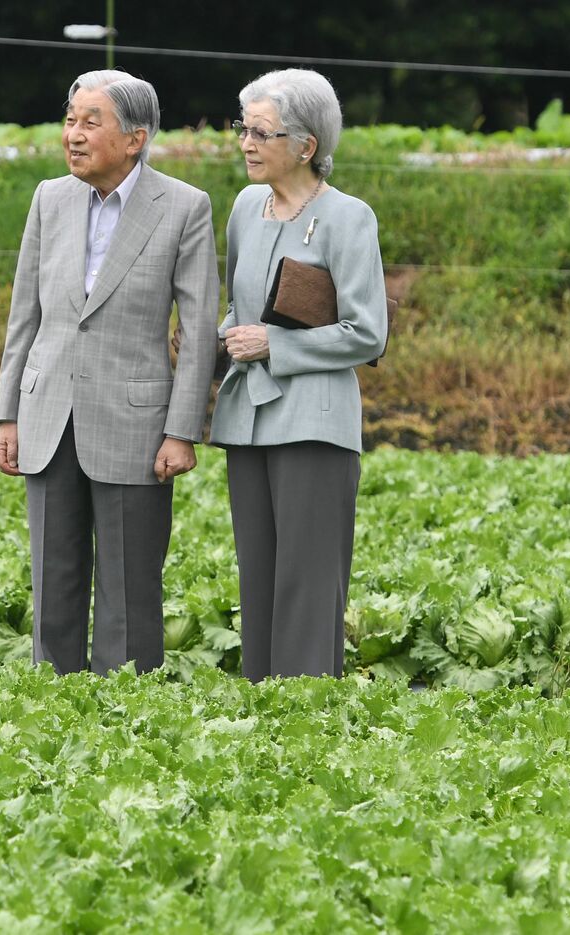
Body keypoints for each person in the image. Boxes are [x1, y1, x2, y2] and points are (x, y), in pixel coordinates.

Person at [0, 68, 219, 676]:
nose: (74, 134)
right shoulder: (50, 198)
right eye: (70, 120)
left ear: (135, 138)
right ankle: (54, 702)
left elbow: (197, 331)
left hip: (137, 423)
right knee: (52, 578)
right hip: (47, 412)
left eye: (92, 122)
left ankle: (124, 715)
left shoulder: (184, 207)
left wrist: (182, 429)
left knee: (129, 587)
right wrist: (8, 413)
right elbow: (25, 314)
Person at [209, 68, 388, 681]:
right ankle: (262, 712)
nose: (246, 142)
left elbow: (369, 333)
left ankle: (307, 716)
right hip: (247, 417)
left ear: (306, 146)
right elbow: (239, 306)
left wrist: (275, 344)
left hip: (314, 422)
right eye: (243, 128)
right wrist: (221, 339)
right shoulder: (243, 208)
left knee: (308, 585)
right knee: (257, 578)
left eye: (261, 132)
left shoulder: (349, 217)